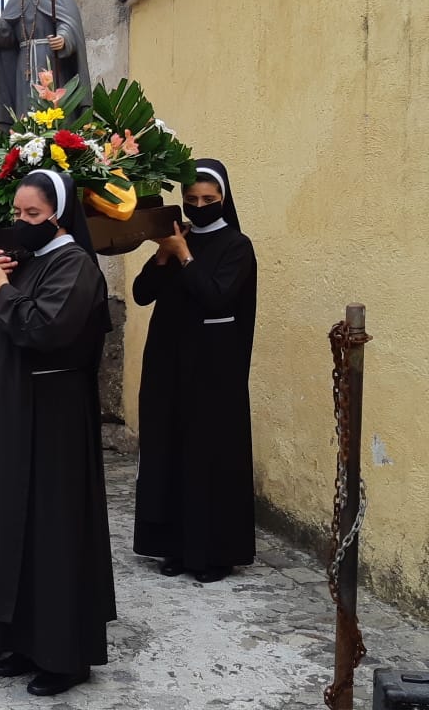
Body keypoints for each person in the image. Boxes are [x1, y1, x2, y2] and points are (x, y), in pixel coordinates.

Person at [0, 169, 115, 698]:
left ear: (57, 215)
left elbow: (45, 329)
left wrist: (3, 289)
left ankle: (64, 656)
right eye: (17, 213)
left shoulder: (75, 265)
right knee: (8, 524)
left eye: (32, 214)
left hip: (50, 418)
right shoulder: (27, 261)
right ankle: (16, 638)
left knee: (49, 530)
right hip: (8, 413)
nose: (20, 223)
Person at [132, 158, 257, 584]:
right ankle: (173, 545)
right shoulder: (176, 238)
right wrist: (163, 257)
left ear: (224, 199)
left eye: (209, 198)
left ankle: (215, 553)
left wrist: (185, 256)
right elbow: (141, 294)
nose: (199, 205)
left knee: (209, 456)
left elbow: (218, 298)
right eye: (191, 199)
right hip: (168, 363)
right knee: (169, 449)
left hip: (213, 373)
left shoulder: (237, 246)